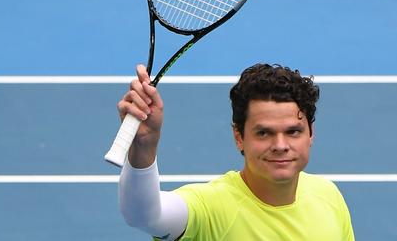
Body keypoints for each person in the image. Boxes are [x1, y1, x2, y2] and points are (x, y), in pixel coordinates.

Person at [117, 63, 355, 240]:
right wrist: (144, 145)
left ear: (310, 134)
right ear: (239, 137)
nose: (281, 145)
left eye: (293, 132)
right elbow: (144, 215)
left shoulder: (329, 197)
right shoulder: (209, 209)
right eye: (264, 133)